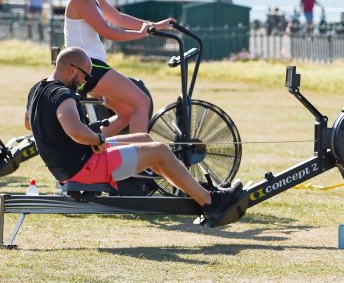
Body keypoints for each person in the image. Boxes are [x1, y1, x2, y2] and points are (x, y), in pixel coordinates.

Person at [25, 47, 245, 225]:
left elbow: (28, 123)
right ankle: (211, 201)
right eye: (86, 75)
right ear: (73, 70)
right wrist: (97, 139)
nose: (86, 81)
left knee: (145, 140)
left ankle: (197, 191)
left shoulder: (38, 89)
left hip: (74, 163)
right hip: (84, 168)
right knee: (160, 151)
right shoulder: (63, 95)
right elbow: (75, 131)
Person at [60, 0, 173, 136]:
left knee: (128, 112)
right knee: (142, 102)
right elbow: (108, 32)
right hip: (89, 69)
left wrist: (154, 26)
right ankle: (140, 156)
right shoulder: (81, 1)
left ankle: (94, 143)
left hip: (91, 68)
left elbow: (118, 18)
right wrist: (140, 34)